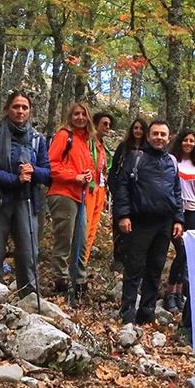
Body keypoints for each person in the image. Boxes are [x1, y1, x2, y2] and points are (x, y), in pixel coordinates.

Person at [111, 120, 183, 325]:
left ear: (169, 138)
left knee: (155, 268)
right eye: (155, 134)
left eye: (163, 134)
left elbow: (177, 193)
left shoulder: (172, 161)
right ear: (148, 136)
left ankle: (147, 312)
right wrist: (123, 215)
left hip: (164, 222)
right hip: (140, 221)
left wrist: (178, 219)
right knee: (134, 267)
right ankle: (127, 313)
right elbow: (122, 187)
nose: (159, 138)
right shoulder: (136, 157)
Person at [0, 91, 50, 296]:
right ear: (7, 109)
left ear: (29, 112)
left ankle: (28, 295)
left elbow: (48, 173)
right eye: (16, 107)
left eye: (24, 107)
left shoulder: (38, 139)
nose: (20, 111)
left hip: (27, 201)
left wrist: (33, 171)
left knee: (29, 252)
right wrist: (14, 180)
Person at [46, 103, 100, 295]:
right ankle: (61, 281)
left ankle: (79, 281)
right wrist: (73, 176)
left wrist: (88, 175)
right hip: (63, 193)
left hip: (80, 195)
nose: (80, 117)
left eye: (83, 114)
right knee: (65, 239)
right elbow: (51, 164)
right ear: (70, 116)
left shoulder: (85, 141)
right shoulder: (64, 136)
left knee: (81, 239)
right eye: (76, 114)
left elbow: (90, 168)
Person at [163, 128, 195, 314]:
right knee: (181, 251)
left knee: (187, 254)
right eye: (185, 140)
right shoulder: (172, 161)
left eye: (192, 141)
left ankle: (178, 293)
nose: (188, 143)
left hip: (193, 212)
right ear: (180, 141)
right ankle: (169, 291)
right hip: (174, 210)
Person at [108, 117, 147, 270]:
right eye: (135, 128)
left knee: (136, 227)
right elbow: (114, 169)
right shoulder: (124, 147)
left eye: (141, 128)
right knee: (119, 225)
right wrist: (114, 189)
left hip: (140, 195)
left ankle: (133, 259)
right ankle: (118, 258)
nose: (138, 131)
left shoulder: (148, 149)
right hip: (121, 192)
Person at [81, 111, 113, 267]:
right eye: (104, 124)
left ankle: (83, 262)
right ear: (95, 124)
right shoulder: (87, 143)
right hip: (89, 190)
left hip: (100, 190)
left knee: (92, 228)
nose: (107, 127)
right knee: (84, 229)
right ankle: (77, 263)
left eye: (109, 125)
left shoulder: (102, 146)